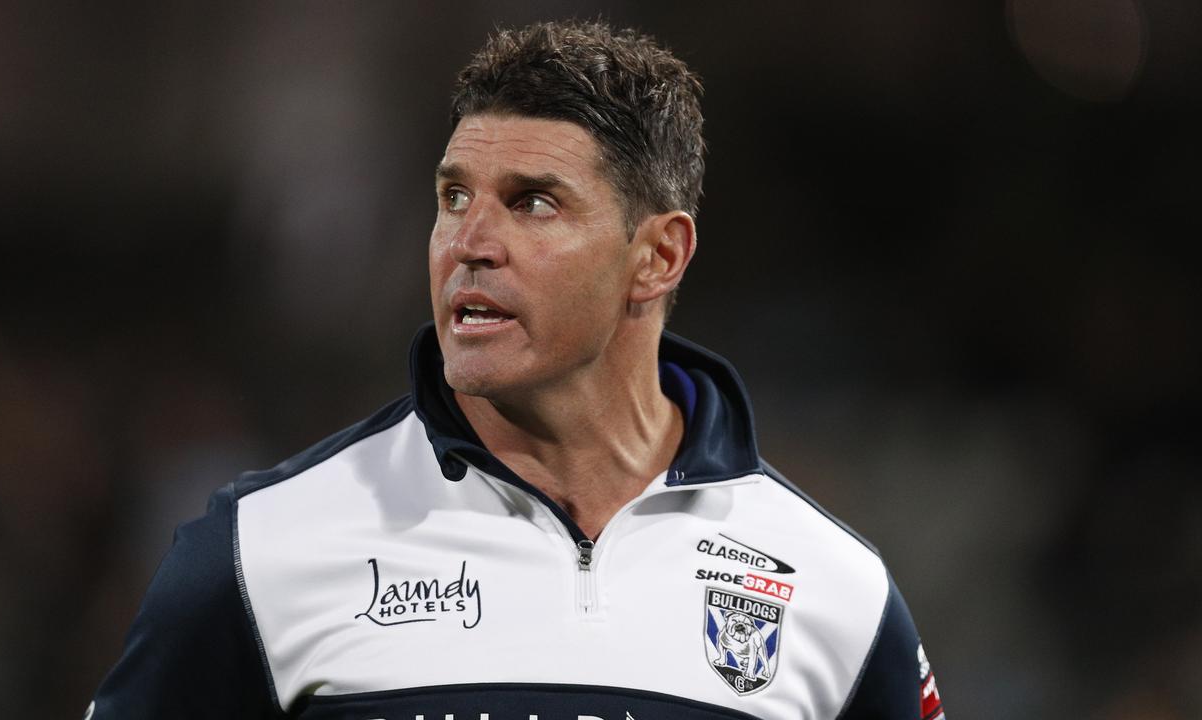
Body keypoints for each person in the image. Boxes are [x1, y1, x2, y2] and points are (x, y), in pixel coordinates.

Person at [88, 20, 946, 720]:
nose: (469, 244)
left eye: (533, 202)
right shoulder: (256, 551)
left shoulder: (837, 592)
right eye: (454, 197)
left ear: (657, 257)